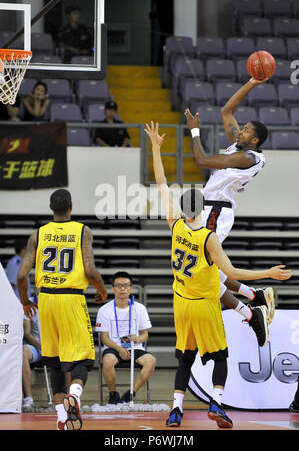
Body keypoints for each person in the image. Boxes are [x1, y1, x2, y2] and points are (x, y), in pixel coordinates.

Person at [144, 120, 291, 428]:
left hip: (180, 304)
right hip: (206, 304)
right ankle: (217, 404)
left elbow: (160, 184)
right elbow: (233, 270)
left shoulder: (175, 226)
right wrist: (268, 274)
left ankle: (175, 410)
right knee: (220, 358)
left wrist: (156, 149)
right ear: (205, 211)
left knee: (185, 358)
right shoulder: (209, 239)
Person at [185, 77, 276, 326]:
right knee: (206, 268)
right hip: (208, 208)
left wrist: (194, 131)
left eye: (246, 130)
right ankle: (253, 297)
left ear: (255, 140)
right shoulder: (238, 145)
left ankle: (250, 309)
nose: (240, 131)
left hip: (218, 211)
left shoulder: (248, 158)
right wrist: (252, 82)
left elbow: (202, 161)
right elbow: (227, 110)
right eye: (242, 127)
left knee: (206, 269)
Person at [17, 189, 108, 430]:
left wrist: (26, 301)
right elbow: (89, 270)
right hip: (71, 298)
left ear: (51, 208)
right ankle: (75, 397)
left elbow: (20, 274)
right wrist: (101, 288)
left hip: (45, 300)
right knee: (84, 357)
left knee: (54, 360)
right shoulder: (82, 231)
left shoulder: (38, 234)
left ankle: (60, 417)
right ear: (71, 207)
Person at [95, 271, 156, 404]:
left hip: (134, 347)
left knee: (151, 361)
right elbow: (104, 338)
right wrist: (119, 348)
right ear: (112, 288)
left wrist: (138, 339)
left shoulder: (139, 308)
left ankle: (130, 394)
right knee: (107, 361)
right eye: (118, 285)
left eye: (126, 285)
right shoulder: (104, 310)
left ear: (131, 288)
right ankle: (113, 395)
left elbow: (145, 334)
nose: (122, 288)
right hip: (114, 347)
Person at [22, 300, 42, 411]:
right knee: (23, 352)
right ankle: (28, 399)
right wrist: (40, 346)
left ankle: (69, 398)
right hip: (37, 347)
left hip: (55, 346)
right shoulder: (30, 304)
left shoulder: (60, 301)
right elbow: (27, 333)